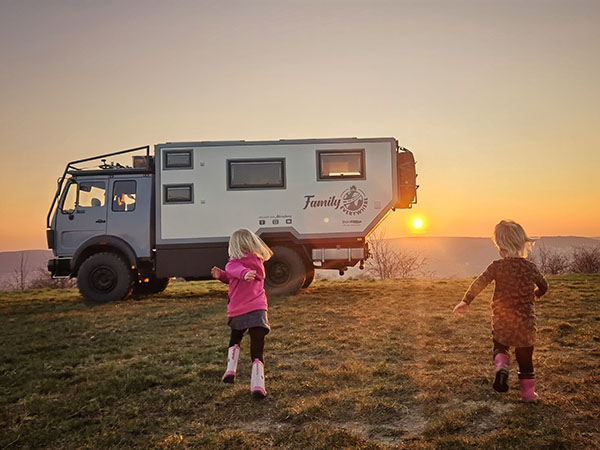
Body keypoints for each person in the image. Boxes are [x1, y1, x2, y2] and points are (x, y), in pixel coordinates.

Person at [453, 220, 548, 402]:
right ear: (522, 243)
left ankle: (502, 365)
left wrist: (466, 301)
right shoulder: (530, 268)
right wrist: (538, 293)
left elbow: (479, 283)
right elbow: (544, 285)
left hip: (502, 319)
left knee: (500, 346)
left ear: (500, 246)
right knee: (525, 358)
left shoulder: (497, 266)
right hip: (525, 323)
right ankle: (528, 395)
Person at [211, 228, 273, 399]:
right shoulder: (258, 262)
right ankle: (258, 383)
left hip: (239, 309)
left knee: (235, 338)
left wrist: (243, 274)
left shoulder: (233, 263)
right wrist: (222, 276)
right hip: (258, 308)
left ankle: (231, 369)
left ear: (234, 245)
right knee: (257, 344)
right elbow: (234, 275)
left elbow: (236, 270)